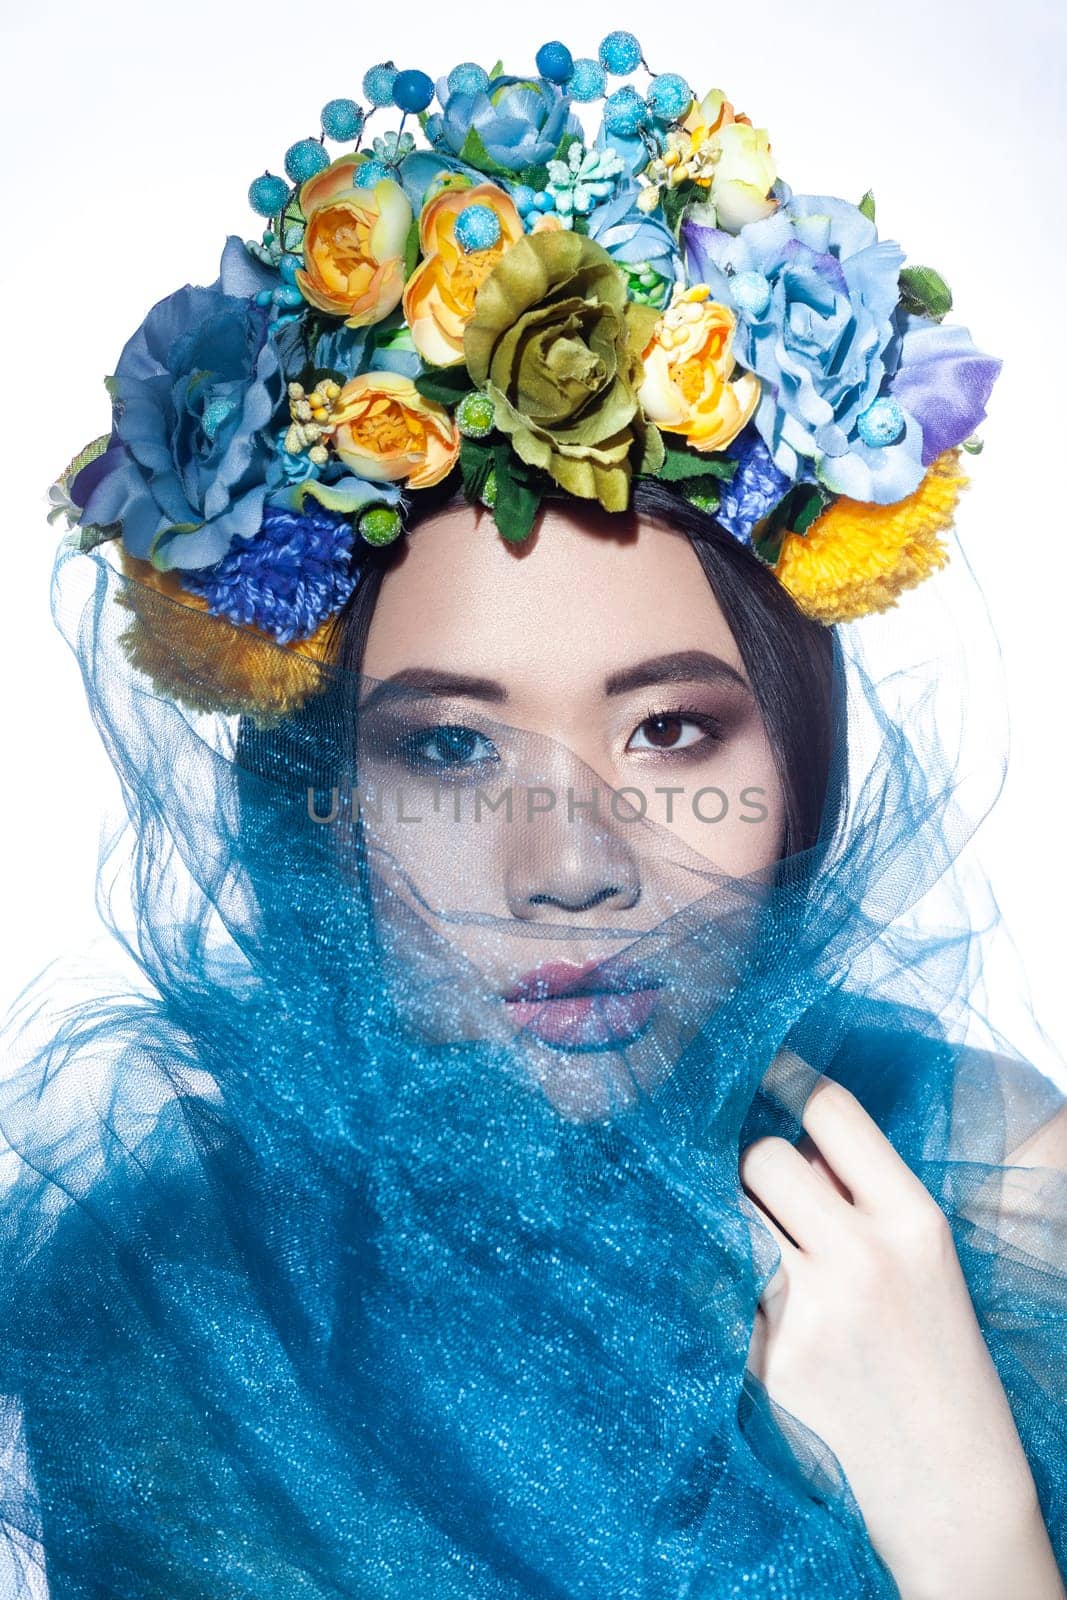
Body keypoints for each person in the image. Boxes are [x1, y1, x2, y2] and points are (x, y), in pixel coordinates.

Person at [2, 35, 1065, 1599]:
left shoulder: (1005, 1198)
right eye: (446, 751)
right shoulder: (158, 1321)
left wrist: (969, 1522)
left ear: (801, 755)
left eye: (672, 728)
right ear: (323, 803)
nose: (568, 866)